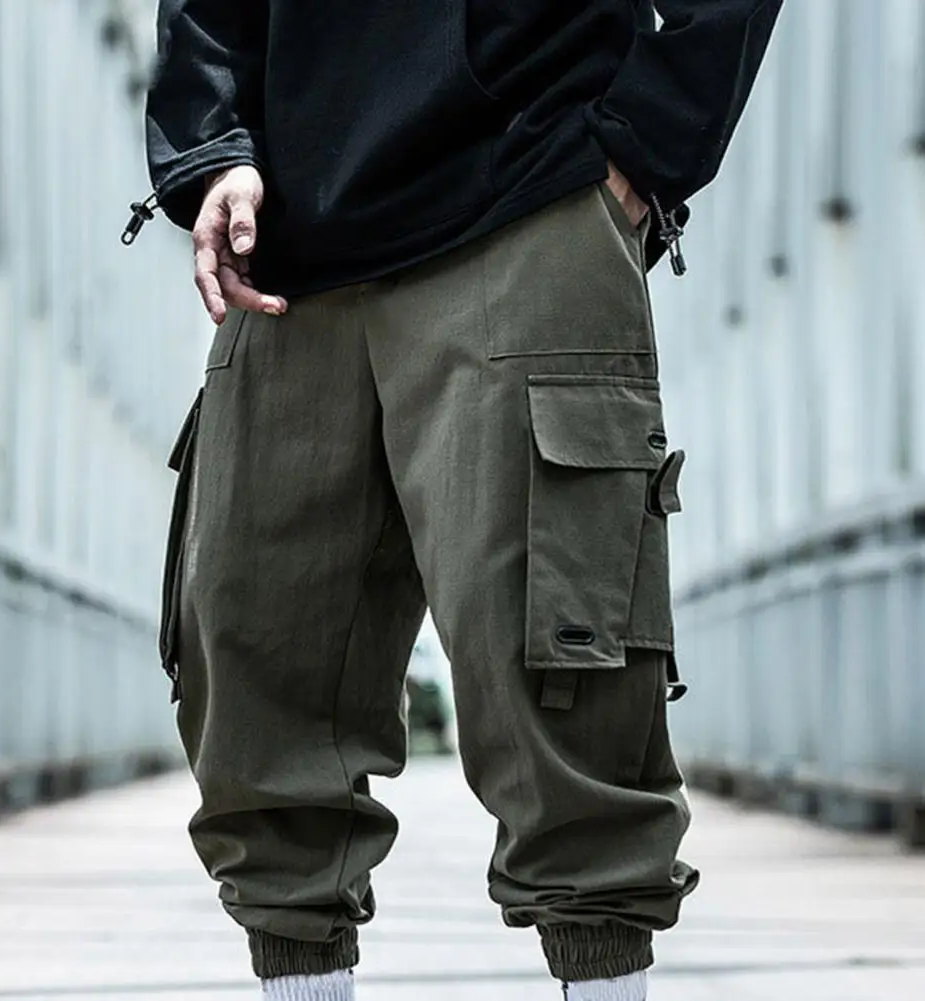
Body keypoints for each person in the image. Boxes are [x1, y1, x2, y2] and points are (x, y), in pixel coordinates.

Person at [142, 2, 781, 999]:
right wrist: (212, 148)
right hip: (289, 241)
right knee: (254, 676)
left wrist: (647, 141)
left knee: (559, 674)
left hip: (523, 187)